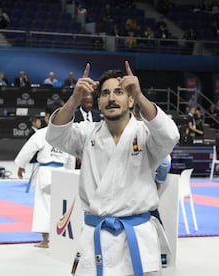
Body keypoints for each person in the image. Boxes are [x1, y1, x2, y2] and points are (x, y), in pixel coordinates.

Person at [46, 61, 180, 275]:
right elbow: (55, 136)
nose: (111, 98)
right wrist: (74, 99)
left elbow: (170, 136)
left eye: (119, 92)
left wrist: (140, 94)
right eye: (105, 93)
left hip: (137, 237)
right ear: (98, 102)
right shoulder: (87, 133)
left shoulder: (146, 136)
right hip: (96, 237)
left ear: (130, 100)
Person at [14, 103, 75, 249]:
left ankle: (45, 240)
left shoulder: (42, 133)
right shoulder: (68, 133)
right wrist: (71, 173)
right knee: (63, 207)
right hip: (63, 172)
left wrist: (21, 166)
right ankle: (64, 239)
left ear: (47, 117)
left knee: (44, 206)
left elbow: (28, 150)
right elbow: (72, 156)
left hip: (46, 174)